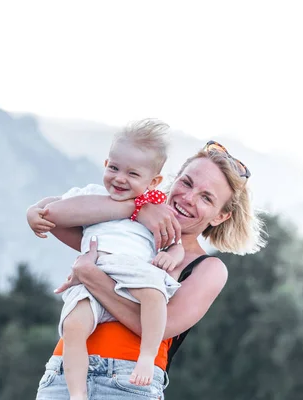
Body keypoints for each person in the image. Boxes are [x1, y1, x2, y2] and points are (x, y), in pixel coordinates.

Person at [32, 139, 266, 399]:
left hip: (130, 381)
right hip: (65, 376)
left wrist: (92, 277)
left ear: (220, 216)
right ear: (172, 179)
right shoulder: (124, 231)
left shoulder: (207, 268)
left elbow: (159, 327)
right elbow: (49, 214)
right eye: (186, 183)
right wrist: (133, 209)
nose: (188, 198)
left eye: (206, 198)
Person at [27, 119, 185, 399]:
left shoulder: (158, 209)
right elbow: (55, 208)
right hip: (94, 270)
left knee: (154, 294)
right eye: (113, 168)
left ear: (154, 182)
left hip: (132, 273)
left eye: (133, 174)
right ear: (105, 163)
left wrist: (170, 257)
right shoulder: (92, 195)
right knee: (74, 327)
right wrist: (33, 211)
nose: (120, 178)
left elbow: (176, 244)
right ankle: (76, 393)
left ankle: (146, 357)